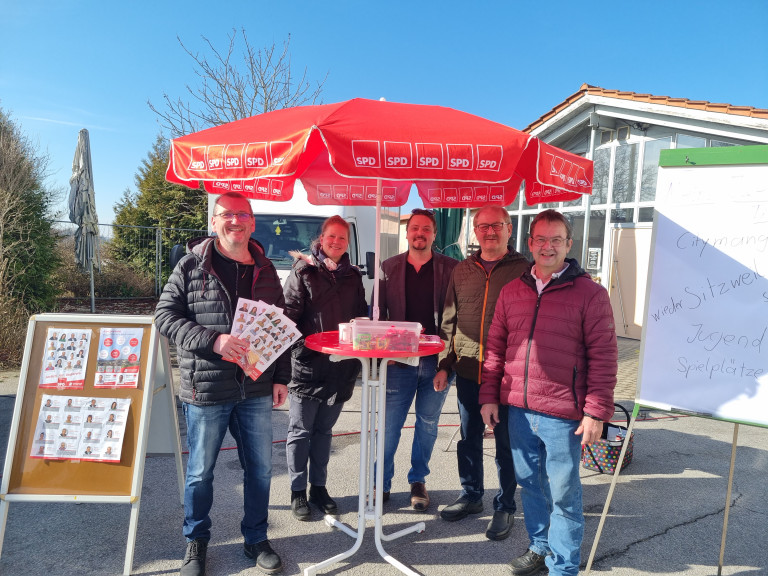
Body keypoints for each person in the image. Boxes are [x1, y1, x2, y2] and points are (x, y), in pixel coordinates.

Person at [155, 191, 289, 576]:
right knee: (200, 472)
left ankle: (256, 538)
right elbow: (164, 317)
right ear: (214, 222)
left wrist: (281, 378)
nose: (236, 221)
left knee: (260, 469)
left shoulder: (266, 270)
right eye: (227, 214)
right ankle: (196, 542)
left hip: (256, 389)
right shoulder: (190, 265)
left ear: (253, 222)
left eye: (243, 214)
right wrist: (214, 341)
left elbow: (278, 327)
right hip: (207, 389)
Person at [479, 209, 618, 576]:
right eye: (541, 239)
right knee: (530, 486)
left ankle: (564, 566)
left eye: (556, 239)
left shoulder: (591, 294)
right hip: (518, 411)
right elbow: (495, 348)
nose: (548, 246)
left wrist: (596, 412)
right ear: (529, 243)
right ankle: (540, 547)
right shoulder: (512, 292)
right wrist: (489, 396)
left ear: (569, 244)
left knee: (564, 496)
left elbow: (604, 356)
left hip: (563, 415)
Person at [434, 205, 529, 541]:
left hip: (508, 374)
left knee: (505, 444)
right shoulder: (462, 270)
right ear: (475, 231)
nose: (490, 232)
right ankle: (471, 495)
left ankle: (505, 504)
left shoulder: (525, 270)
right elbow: (449, 319)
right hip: (470, 370)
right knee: (469, 438)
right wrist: (444, 364)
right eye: (483, 226)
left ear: (509, 229)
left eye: (497, 225)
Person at [282, 215, 367, 521]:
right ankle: (297, 491)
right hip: (307, 365)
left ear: (348, 243)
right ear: (320, 239)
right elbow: (287, 318)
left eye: (342, 238)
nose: (336, 242)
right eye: (331, 237)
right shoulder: (303, 271)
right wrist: (295, 353)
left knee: (324, 431)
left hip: (341, 368)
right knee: (300, 431)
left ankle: (318, 487)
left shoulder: (353, 276)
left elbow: (361, 315)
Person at [376, 208, 458, 511]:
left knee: (427, 425)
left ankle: (418, 481)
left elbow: (457, 321)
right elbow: (379, 316)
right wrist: (386, 354)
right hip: (398, 363)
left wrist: (446, 366)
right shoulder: (389, 267)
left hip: (436, 364)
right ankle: (381, 482)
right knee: (388, 427)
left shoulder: (451, 268)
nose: (419, 234)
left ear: (434, 234)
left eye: (426, 229)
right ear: (407, 232)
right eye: (415, 228)